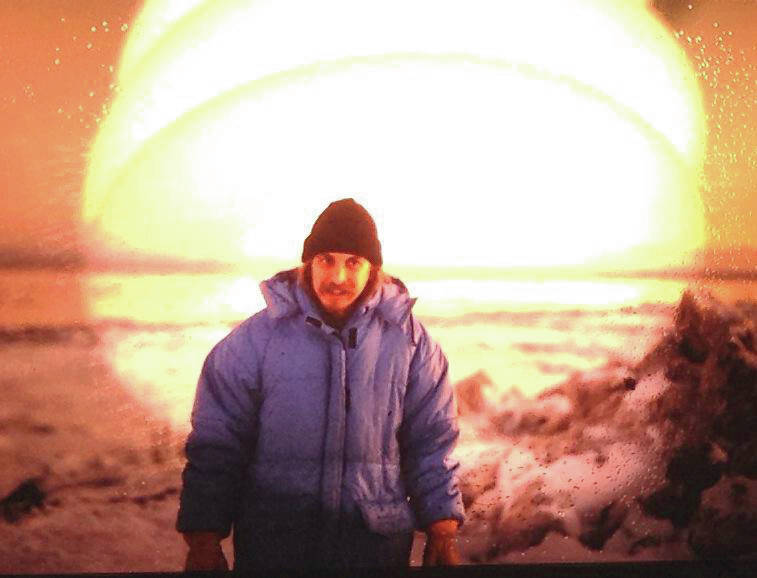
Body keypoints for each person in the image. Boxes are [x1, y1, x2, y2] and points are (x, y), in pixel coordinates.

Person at [176, 198, 465, 570]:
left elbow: (432, 441)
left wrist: (442, 530)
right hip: (277, 549)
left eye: (353, 263)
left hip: (374, 551)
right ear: (308, 263)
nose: (338, 277)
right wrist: (204, 538)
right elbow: (217, 445)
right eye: (327, 259)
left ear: (372, 268)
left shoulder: (410, 344)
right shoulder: (253, 342)